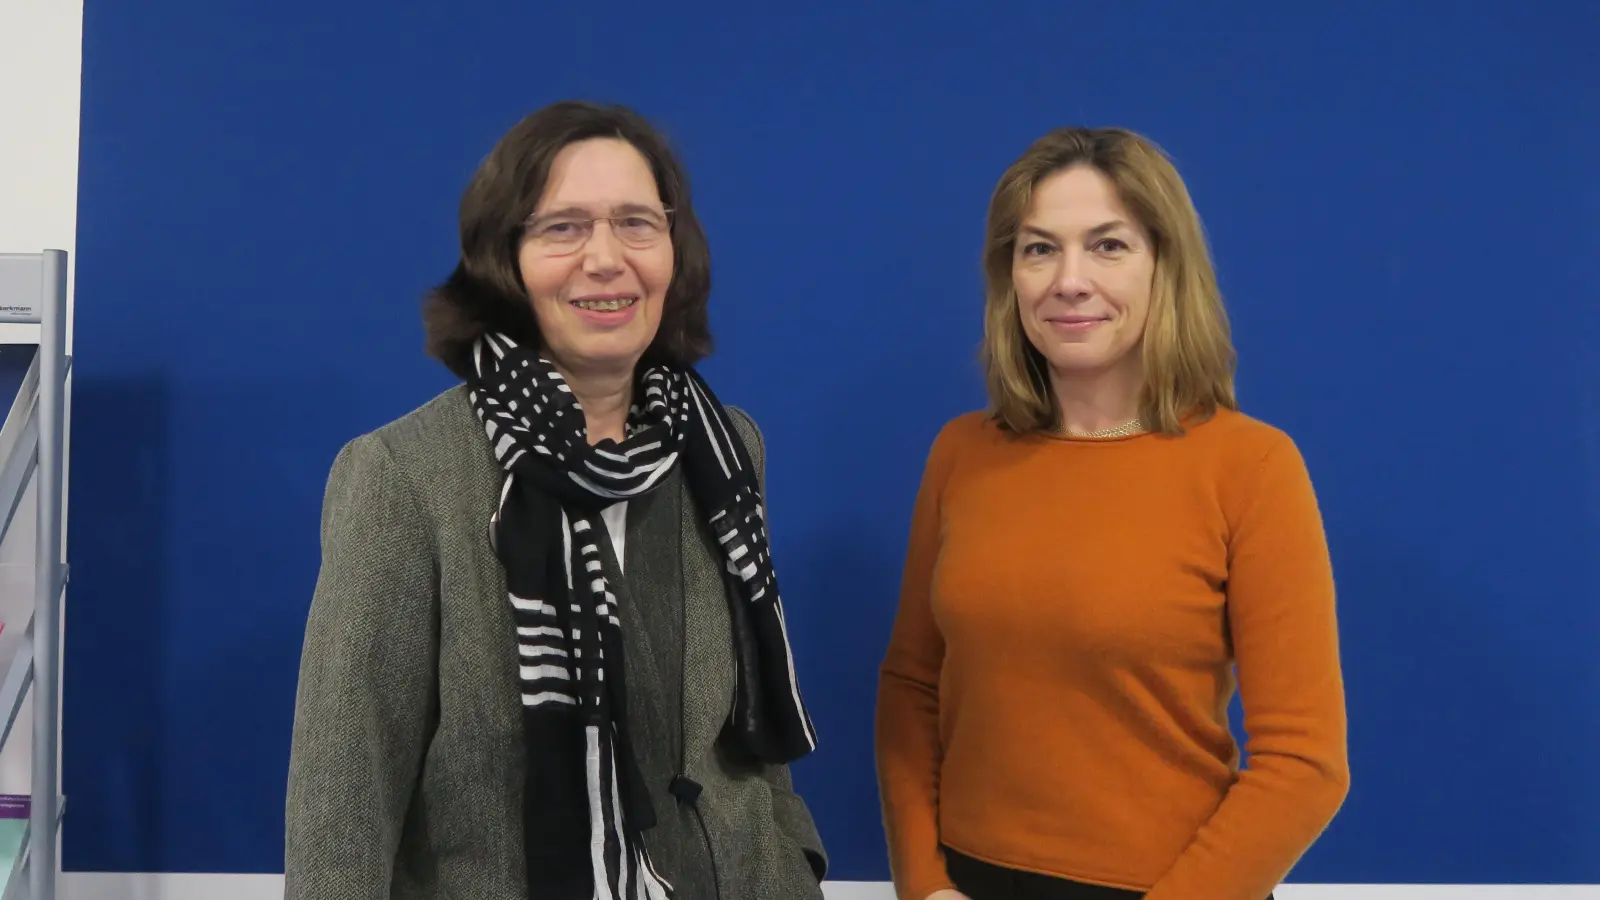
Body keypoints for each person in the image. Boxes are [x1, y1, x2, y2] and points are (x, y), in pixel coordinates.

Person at [284, 100, 827, 900]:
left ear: (674, 248)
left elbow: (751, 718)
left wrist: (793, 861)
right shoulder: (405, 475)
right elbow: (344, 797)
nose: (605, 259)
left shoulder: (725, 446)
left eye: (636, 223)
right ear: (504, 259)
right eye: (563, 227)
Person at [874, 127, 1350, 900]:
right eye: (1039, 249)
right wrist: (924, 883)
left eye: (1108, 246)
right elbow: (911, 684)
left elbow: (1306, 762)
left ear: (1165, 265)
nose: (1070, 281)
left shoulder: (1252, 466)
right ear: (1009, 276)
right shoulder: (962, 453)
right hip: (966, 882)